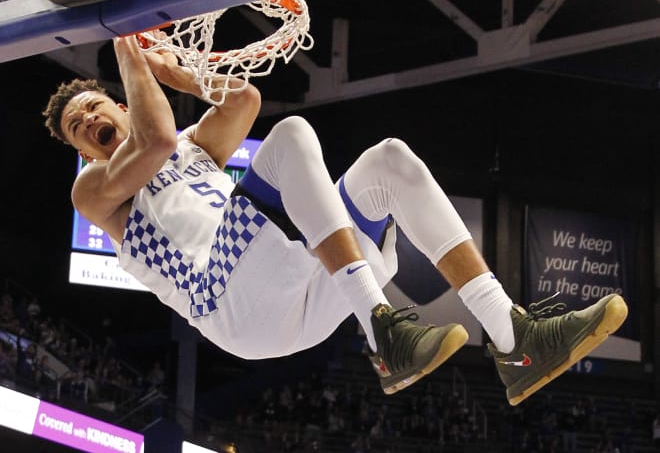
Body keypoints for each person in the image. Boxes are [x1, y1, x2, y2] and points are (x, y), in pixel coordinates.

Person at [43, 34, 628, 406]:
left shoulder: (192, 147)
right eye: (78, 126)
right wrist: (126, 42)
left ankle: (513, 338)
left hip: (297, 285)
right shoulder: (94, 192)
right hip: (229, 300)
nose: (89, 120)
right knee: (294, 134)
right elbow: (154, 137)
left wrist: (176, 75)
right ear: (85, 150)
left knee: (389, 161)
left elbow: (243, 102)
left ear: (120, 106)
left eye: (94, 106)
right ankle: (383, 332)